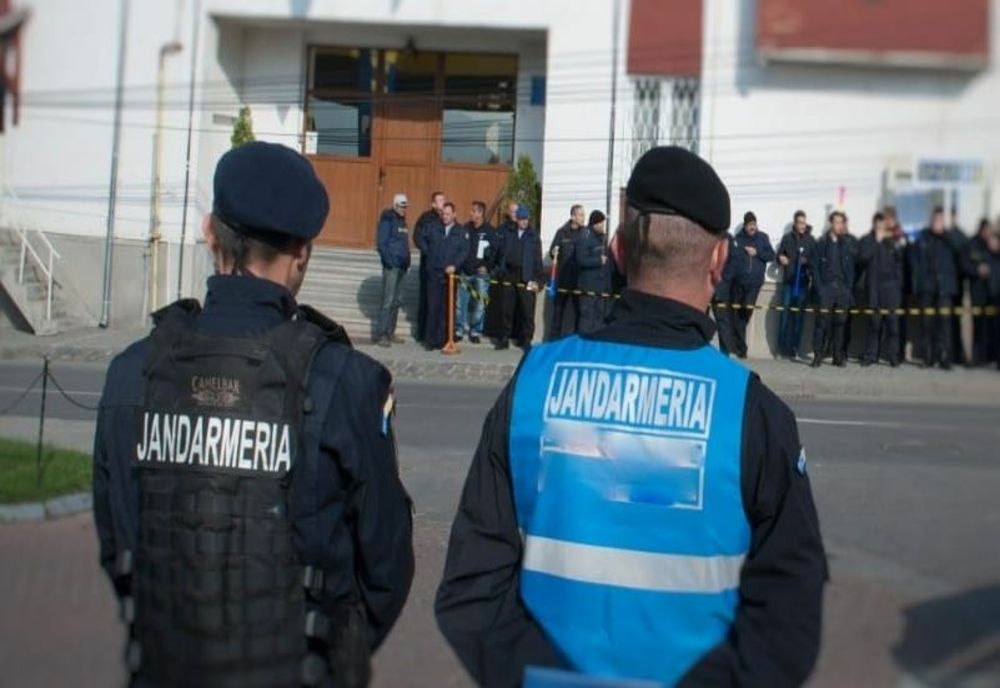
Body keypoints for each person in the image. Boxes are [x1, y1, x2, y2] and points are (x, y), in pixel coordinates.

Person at [435, 146, 826, 688]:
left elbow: (473, 586)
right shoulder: (752, 412)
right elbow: (789, 611)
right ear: (719, 259)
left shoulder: (533, 383)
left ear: (617, 251)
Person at [92, 142, 414, 687]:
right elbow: (385, 569)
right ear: (302, 254)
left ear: (209, 233)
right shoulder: (346, 383)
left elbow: (118, 542)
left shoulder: (131, 373)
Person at [909, 207, 963, 369]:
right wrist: (918, 283)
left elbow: (960, 248)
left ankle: (944, 357)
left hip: (945, 288)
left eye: (940, 220)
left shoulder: (951, 237)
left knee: (944, 325)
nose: (937, 223)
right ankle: (928, 357)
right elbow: (914, 260)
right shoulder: (923, 237)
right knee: (926, 324)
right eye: (935, 220)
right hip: (927, 288)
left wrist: (945, 233)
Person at [717, 211, 774, 359]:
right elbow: (732, 259)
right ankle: (741, 349)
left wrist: (757, 252)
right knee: (735, 317)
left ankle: (739, 346)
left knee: (745, 312)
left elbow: (771, 256)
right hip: (738, 284)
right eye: (749, 225)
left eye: (754, 224)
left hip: (754, 284)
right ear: (745, 226)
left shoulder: (763, 238)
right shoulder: (738, 239)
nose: (752, 227)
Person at [856, 212, 904, 367]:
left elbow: (899, 260)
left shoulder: (892, 241)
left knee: (892, 324)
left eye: (882, 226)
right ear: (874, 226)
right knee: (874, 324)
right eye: (877, 226)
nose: (880, 229)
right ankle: (871, 355)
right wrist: (876, 241)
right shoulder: (867, 240)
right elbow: (863, 258)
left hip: (891, 288)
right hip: (874, 288)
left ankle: (893, 355)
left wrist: (898, 284)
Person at [811, 211, 856, 368]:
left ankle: (837, 357)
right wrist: (820, 288)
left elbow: (851, 269)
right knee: (821, 323)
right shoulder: (821, 243)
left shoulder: (847, 244)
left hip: (842, 289)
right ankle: (817, 356)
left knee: (840, 324)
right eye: (837, 222)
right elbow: (814, 266)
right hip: (826, 288)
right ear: (831, 224)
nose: (840, 225)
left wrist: (848, 288)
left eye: (841, 222)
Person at [495, 205, 543, 350]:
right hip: (509, 274)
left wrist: (539, 280)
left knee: (527, 310)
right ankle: (504, 337)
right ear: (517, 219)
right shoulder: (508, 233)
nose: (524, 222)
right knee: (506, 309)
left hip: (527, 275)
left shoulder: (533, 236)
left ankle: (526, 339)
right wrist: (499, 270)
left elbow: (537, 259)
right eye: (522, 219)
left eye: (526, 219)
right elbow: (500, 252)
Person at [425, 202, 470, 350]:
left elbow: (464, 251)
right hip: (434, 273)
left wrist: (455, 265)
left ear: (454, 215)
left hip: (449, 276)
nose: (445, 217)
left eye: (448, 214)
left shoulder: (461, 231)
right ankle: (430, 341)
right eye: (443, 214)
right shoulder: (434, 227)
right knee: (433, 307)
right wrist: (429, 257)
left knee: (447, 309)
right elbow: (422, 240)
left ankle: (443, 339)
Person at [457, 200, 499, 344]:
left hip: (481, 274)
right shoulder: (465, 228)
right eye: (471, 211)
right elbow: (459, 248)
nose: (471, 213)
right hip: (465, 272)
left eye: (473, 211)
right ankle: (459, 329)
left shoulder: (490, 231)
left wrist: (487, 266)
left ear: (480, 213)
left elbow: (495, 252)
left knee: (480, 305)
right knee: (460, 303)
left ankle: (475, 331)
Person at [776, 210, 816, 360]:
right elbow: (778, 255)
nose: (802, 226)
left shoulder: (811, 241)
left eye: (804, 223)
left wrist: (808, 262)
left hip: (803, 284)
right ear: (795, 223)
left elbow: (815, 260)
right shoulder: (787, 238)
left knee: (799, 318)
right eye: (800, 223)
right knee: (784, 316)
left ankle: (795, 348)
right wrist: (780, 258)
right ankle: (781, 349)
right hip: (788, 282)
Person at [960, 218, 1000, 366]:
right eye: (987, 231)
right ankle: (978, 358)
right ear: (981, 230)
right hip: (978, 293)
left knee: (994, 328)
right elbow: (964, 264)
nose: (989, 234)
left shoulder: (994, 244)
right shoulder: (971, 244)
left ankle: (993, 357)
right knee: (978, 328)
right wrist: (977, 270)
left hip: (994, 293)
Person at [374, 193, 411, 347]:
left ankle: (390, 332)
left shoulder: (403, 222)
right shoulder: (387, 220)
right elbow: (381, 244)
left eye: (406, 206)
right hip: (392, 267)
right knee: (388, 300)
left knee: (397, 301)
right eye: (402, 206)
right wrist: (389, 262)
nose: (404, 209)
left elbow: (403, 244)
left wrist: (407, 261)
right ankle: (381, 334)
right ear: (395, 205)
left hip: (402, 266)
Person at [548, 204, 586, 339]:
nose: (583, 218)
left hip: (579, 279)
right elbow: (553, 251)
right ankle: (553, 340)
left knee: (579, 311)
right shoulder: (562, 232)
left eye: (583, 215)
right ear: (573, 217)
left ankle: (576, 340)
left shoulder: (585, 233)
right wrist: (553, 252)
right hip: (563, 278)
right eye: (580, 215)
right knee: (558, 311)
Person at [414, 191, 447, 342]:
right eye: (440, 200)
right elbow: (418, 237)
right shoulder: (426, 218)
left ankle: (438, 333)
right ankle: (422, 332)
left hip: (443, 266)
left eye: (444, 200)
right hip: (428, 264)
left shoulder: (446, 218)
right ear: (433, 204)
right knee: (426, 298)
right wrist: (429, 252)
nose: (443, 202)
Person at [574, 209, 609, 334]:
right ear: (595, 223)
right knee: (587, 318)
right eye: (601, 223)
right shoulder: (585, 237)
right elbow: (581, 260)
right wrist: (598, 261)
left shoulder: (602, 237)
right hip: (588, 286)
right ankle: (583, 342)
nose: (603, 226)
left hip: (600, 287)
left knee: (599, 318)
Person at [885, 206, 911, 362]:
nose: (888, 221)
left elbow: (907, 258)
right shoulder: (882, 236)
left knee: (899, 322)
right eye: (886, 218)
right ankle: (889, 352)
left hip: (901, 286)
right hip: (886, 286)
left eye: (890, 218)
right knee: (887, 322)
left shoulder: (901, 235)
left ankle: (899, 353)